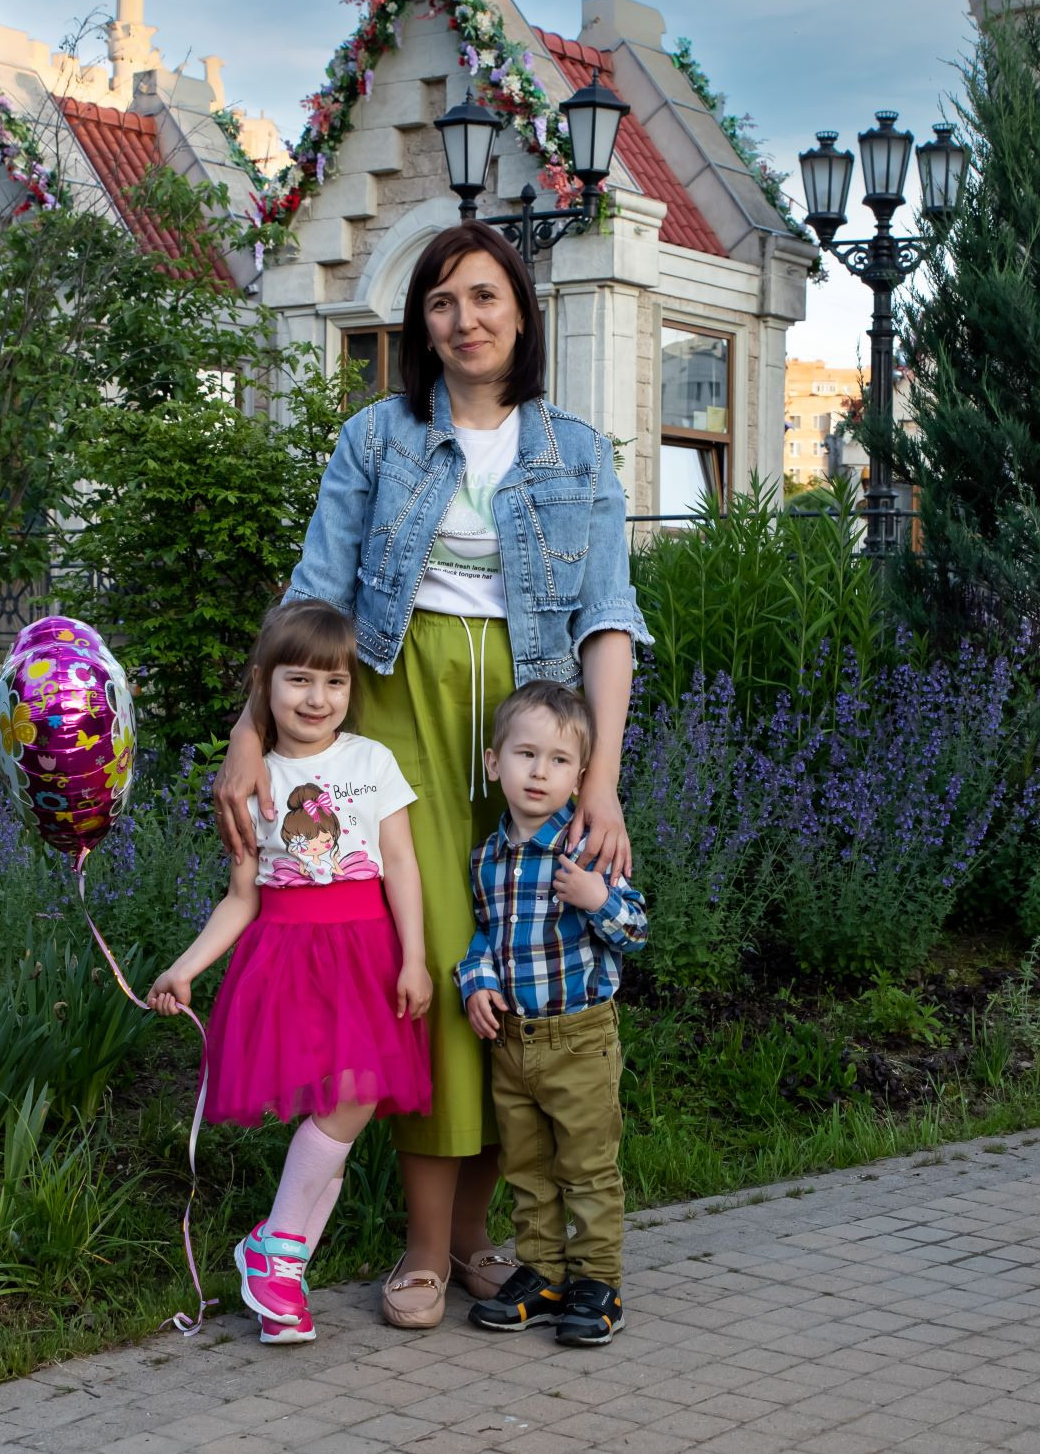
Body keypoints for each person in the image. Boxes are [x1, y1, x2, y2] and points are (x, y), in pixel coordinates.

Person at [212, 220, 648, 1328]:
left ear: (522, 313)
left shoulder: (576, 452)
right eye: (442, 302)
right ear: (422, 324)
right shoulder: (377, 437)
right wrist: (249, 734)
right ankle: (422, 1246)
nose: (465, 320)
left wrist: (600, 778)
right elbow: (315, 592)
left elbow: (606, 619)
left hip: (531, 726)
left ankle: (475, 1237)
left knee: (517, 956)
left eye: (485, 297)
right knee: (433, 962)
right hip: (397, 703)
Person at [148, 601, 434, 1344]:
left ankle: (276, 1257)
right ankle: (279, 1263)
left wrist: (414, 956)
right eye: (298, 679)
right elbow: (241, 897)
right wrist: (184, 968)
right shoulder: (256, 777)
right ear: (264, 684)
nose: (317, 698)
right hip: (290, 961)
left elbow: (401, 864)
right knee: (340, 1105)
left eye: (334, 682)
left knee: (353, 1100)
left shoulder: (371, 762)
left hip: (368, 957)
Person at [456, 681, 648, 1347]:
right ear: (494, 763)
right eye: (526, 755)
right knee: (528, 1168)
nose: (540, 772)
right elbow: (486, 934)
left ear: (580, 774)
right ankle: (542, 1274)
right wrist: (477, 981)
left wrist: (598, 898)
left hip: (579, 1039)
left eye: (559, 760)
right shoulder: (487, 858)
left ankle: (597, 1283)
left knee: (587, 1167)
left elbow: (635, 931)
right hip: (512, 1041)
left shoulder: (587, 846)